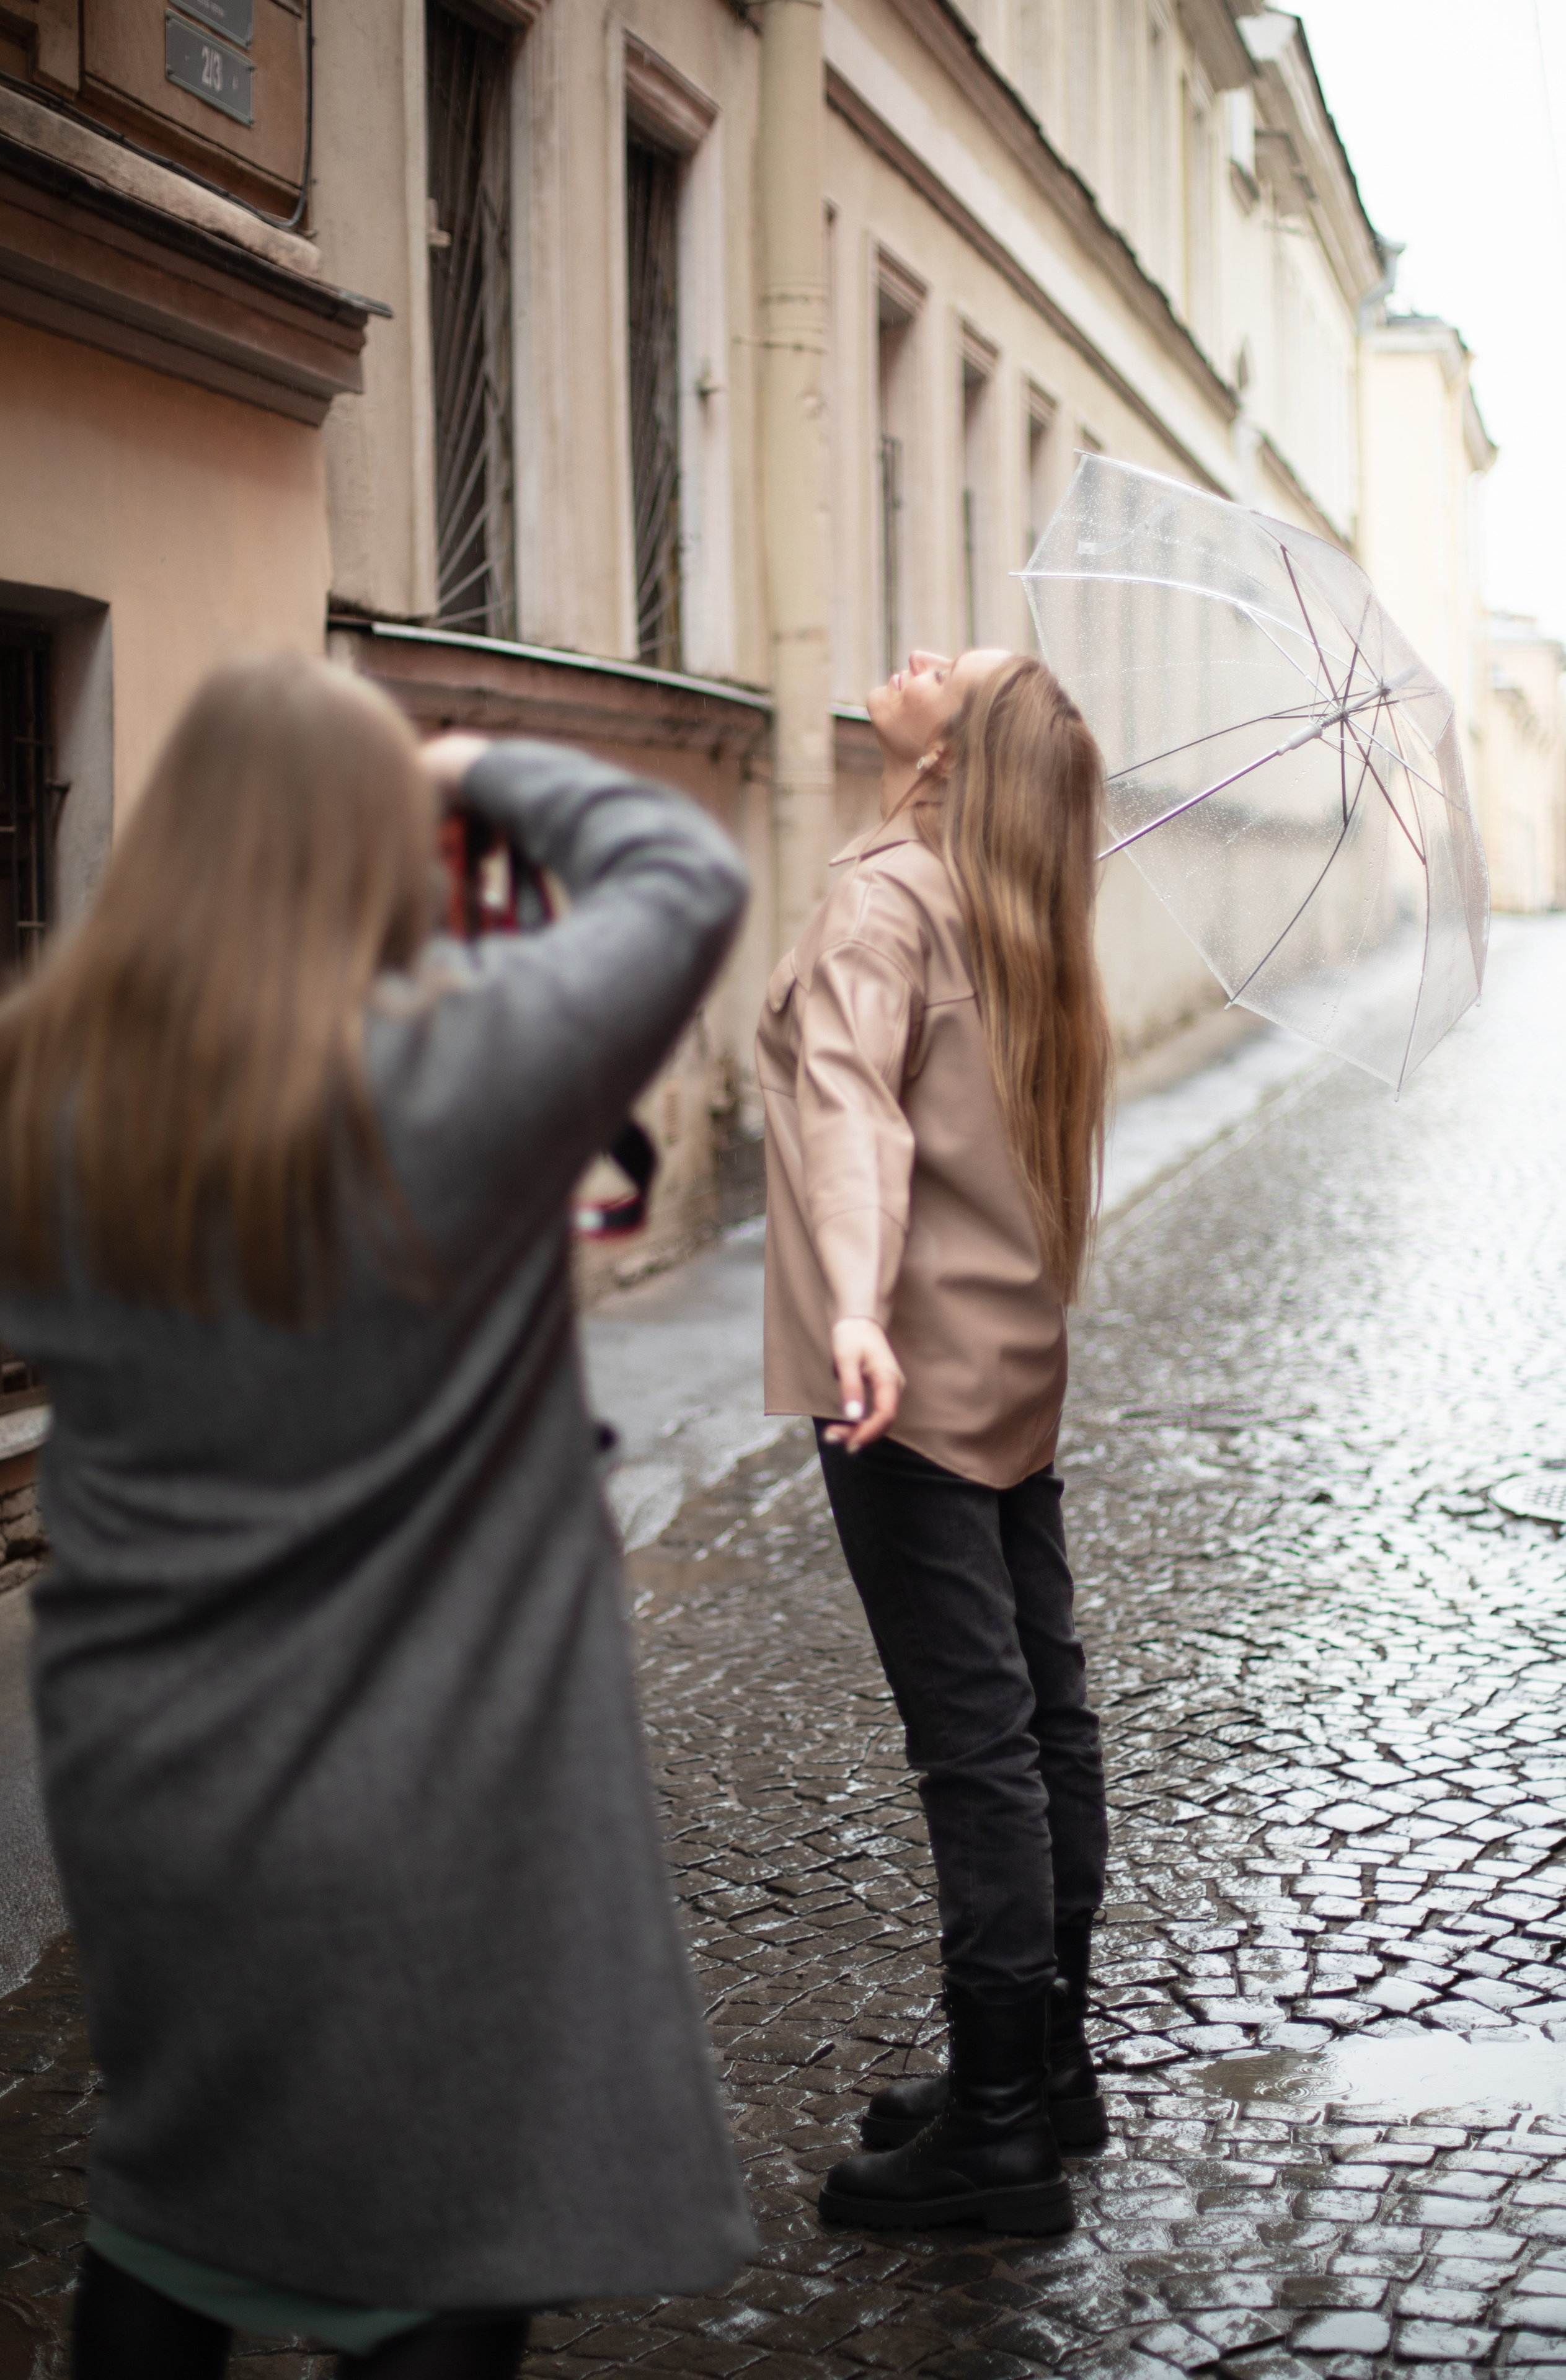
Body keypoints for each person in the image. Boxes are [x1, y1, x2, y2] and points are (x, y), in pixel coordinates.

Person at [0, 658, 754, 2379]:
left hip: (145, 1771)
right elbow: (687, 876)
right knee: (439, 2225)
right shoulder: (455, 1072)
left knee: (172, 2181)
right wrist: (478, 760)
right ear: (371, 846)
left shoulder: (30, 1086)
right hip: (427, 1782)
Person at [757, 646, 1112, 2237]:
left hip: (897, 1374)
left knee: (978, 1753)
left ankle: (994, 2138)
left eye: (945, 670)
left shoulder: (892, 898)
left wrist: (849, 1308)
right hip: (1006, 1367)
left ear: (958, 756)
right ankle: (1047, 2068)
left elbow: (850, 1113)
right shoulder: (1024, 906)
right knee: (1044, 1726)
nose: (916, 657)